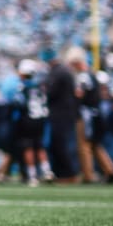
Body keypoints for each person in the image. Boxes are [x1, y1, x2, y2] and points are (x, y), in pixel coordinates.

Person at [65, 47, 113, 184]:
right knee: (95, 144)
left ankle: (88, 174)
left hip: (85, 114)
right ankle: (110, 170)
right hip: (95, 113)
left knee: (84, 145)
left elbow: (79, 94)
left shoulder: (83, 76)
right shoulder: (91, 75)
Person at [11, 59, 54, 187]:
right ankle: (47, 171)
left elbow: (18, 103)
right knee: (40, 146)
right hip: (40, 119)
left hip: (27, 119)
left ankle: (32, 175)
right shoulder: (40, 86)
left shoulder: (22, 87)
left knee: (28, 147)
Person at [41, 48, 78, 182]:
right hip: (64, 113)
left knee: (60, 145)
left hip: (60, 114)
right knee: (59, 144)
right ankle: (64, 174)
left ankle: (67, 174)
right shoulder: (63, 71)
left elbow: (50, 92)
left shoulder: (58, 72)